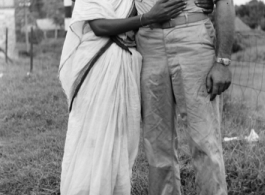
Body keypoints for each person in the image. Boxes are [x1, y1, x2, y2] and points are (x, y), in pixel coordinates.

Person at [58, 0, 210, 194]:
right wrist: (147, 18)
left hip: (127, 62)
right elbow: (99, 26)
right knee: (93, 137)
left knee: (118, 140)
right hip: (98, 64)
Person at [135, 0, 235, 194]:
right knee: (156, 143)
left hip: (192, 34)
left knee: (204, 140)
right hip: (148, 41)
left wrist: (223, 61)